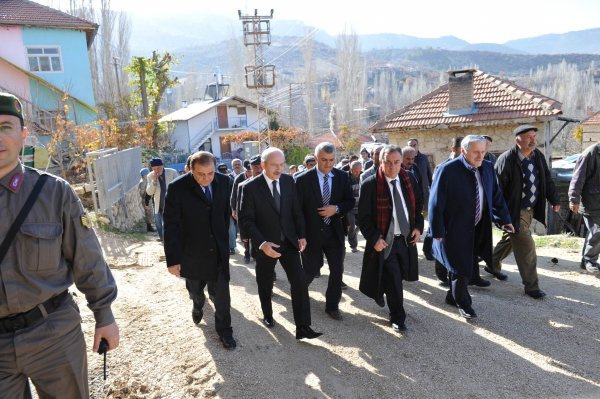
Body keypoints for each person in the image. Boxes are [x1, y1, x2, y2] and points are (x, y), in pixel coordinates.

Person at [0, 92, 119, 397]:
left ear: (23, 135)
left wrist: (104, 315)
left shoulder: (54, 193)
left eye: (5, 127)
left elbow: (87, 257)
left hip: (53, 334)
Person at [239, 148, 322, 340]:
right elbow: (247, 220)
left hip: (289, 243)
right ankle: (267, 314)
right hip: (266, 246)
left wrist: (301, 234)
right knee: (265, 282)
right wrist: (261, 244)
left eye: (281, 164)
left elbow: (296, 211)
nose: (279, 168)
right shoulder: (250, 187)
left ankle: (303, 327)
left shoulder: (288, 181)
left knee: (299, 282)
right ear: (263, 165)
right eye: (274, 165)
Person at [429, 135, 513, 319]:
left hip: (478, 226)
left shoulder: (488, 167)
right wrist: (437, 230)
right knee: (461, 267)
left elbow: (496, 196)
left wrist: (504, 219)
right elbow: (435, 203)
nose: (480, 156)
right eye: (476, 152)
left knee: (468, 262)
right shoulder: (447, 170)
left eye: (483, 152)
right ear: (463, 151)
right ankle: (464, 303)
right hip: (454, 228)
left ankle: (452, 296)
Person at [163, 151, 236, 349]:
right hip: (192, 252)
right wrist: (172, 259)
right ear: (190, 170)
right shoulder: (177, 188)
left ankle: (225, 331)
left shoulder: (225, 182)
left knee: (222, 293)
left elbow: (224, 213)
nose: (206, 178)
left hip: (218, 251)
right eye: (201, 174)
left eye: (210, 173)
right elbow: (170, 225)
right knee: (195, 290)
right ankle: (197, 303)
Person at [358, 145, 424, 331]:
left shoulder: (408, 178)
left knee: (402, 273)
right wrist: (374, 239)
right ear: (380, 161)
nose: (392, 167)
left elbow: (418, 205)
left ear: (401, 162)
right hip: (385, 240)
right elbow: (363, 218)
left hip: (405, 239)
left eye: (396, 162)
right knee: (394, 278)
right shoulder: (370, 184)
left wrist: (418, 227)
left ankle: (381, 289)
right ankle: (397, 317)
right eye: (387, 162)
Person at [490, 125, 560, 299]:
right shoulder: (507, 159)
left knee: (511, 239)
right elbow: (497, 191)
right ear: (517, 140)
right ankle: (531, 286)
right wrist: (502, 216)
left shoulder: (538, 157)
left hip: (530, 209)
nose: (533, 140)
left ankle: (491, 263)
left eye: (534, 136)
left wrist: (555, 199)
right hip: (513, 211)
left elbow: (547, 179)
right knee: (526, 246)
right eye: (528, 137)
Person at [295, 142, 355, 320]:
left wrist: (336, 209)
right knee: (311, 269)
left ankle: (332, 306)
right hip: (312, 234)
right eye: (323, 160)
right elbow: (296, 210)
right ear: (315, 158)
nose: (328, 164)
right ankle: (298, 293)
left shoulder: (343, 177)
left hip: (334, 232)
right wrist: (301, 235)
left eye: (331, 160)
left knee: (337, 270)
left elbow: (350, 201)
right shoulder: (302, 179)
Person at [424, 136, 464, 282]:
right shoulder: (443, 167)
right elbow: (436, 197)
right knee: (442, 245)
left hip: (460, 215)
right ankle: (442, 275)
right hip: (445, 214)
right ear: (454, 149)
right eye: (462, 149)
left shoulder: (469, 166)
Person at [569, 142, 600, 273]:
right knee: (597, 231)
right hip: (591, 201)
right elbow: (577, 178)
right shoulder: (590, 153)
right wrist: (573, 199)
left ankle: (586, 261)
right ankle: (590, 260)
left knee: (594, 232)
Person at [232, 155, 262, 264]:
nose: (258, 170)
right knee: (248, 238)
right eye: (255, 167)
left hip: (265, 222)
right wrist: (234, 210)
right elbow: (234, 197)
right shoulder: (241, 183)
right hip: (249, 217)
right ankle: (247, 253)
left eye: (260, 167)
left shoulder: (271, 182)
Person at [146, 157, 178, 241]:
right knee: (158, 224)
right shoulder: (150, 176)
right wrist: (154, 181)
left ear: (162, 165)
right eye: (154, 168)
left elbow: (178, 187)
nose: (157, 170)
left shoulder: (172, 172)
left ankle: (169, 240)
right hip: (158, 204)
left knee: (168, 224)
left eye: (158, 168)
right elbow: (149, 192)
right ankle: (163, 240)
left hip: (170, 204)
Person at [407, 138, 433, 202]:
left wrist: (432, 188)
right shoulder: (404, 160)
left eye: (414, 145)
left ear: (418, 146)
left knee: (426, 211)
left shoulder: (424, 158)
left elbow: (429, 174)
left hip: (424, 193)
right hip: (411, 194)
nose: (413, 147)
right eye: (410, 145)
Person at [347, 160, 362, 252]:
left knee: (362, 225)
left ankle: (354, 234)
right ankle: (353, 245)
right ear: (350, 169)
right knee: (351, 226)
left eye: (358, 171)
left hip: (361, 206)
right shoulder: (345, 178)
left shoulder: (363, 176)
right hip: (350, 207)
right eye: (354, 171)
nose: (357, 173)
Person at [139, 167, 156, 232]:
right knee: (148, 213)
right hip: (146, 200)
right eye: (147, 174)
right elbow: (142, 193)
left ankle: (149, 227)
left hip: (148, 199)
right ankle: (149, 227)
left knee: (149, 213)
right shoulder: (143, 182)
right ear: (144, 175)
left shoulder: (146, 180)